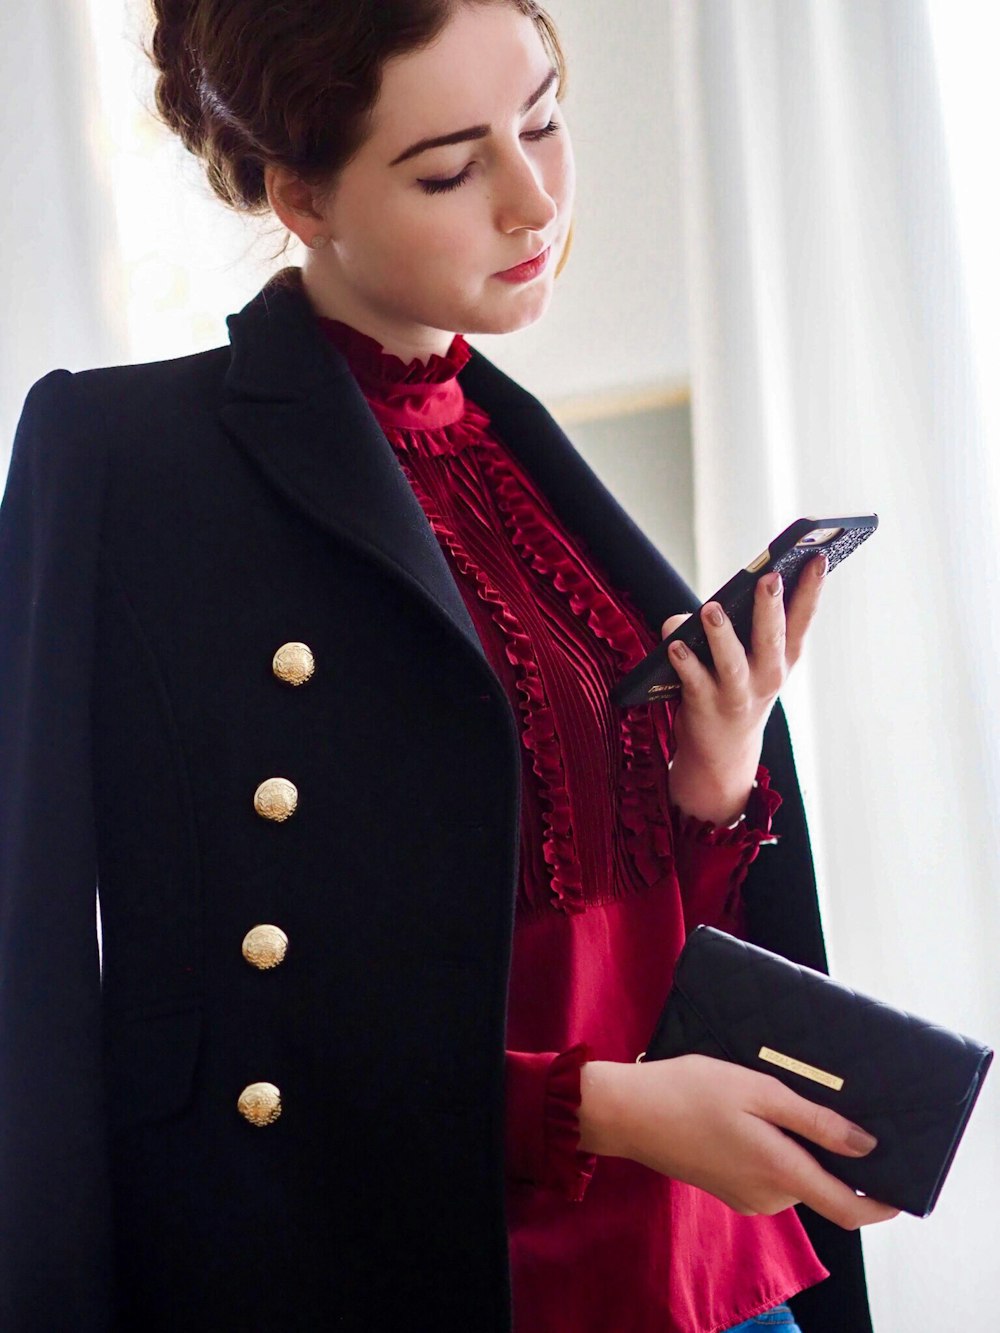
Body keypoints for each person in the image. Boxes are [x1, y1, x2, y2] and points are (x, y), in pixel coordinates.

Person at [0, 2, 898, 1330]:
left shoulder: (520, 454)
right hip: (445, 1273)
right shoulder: (132, 464)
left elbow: (607, 913)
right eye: (449, 168)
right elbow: (205, 1016)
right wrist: (601, 1108)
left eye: (543, 119)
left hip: (710, 1270)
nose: (535, 201)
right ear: (300, 196)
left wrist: (710, 785)